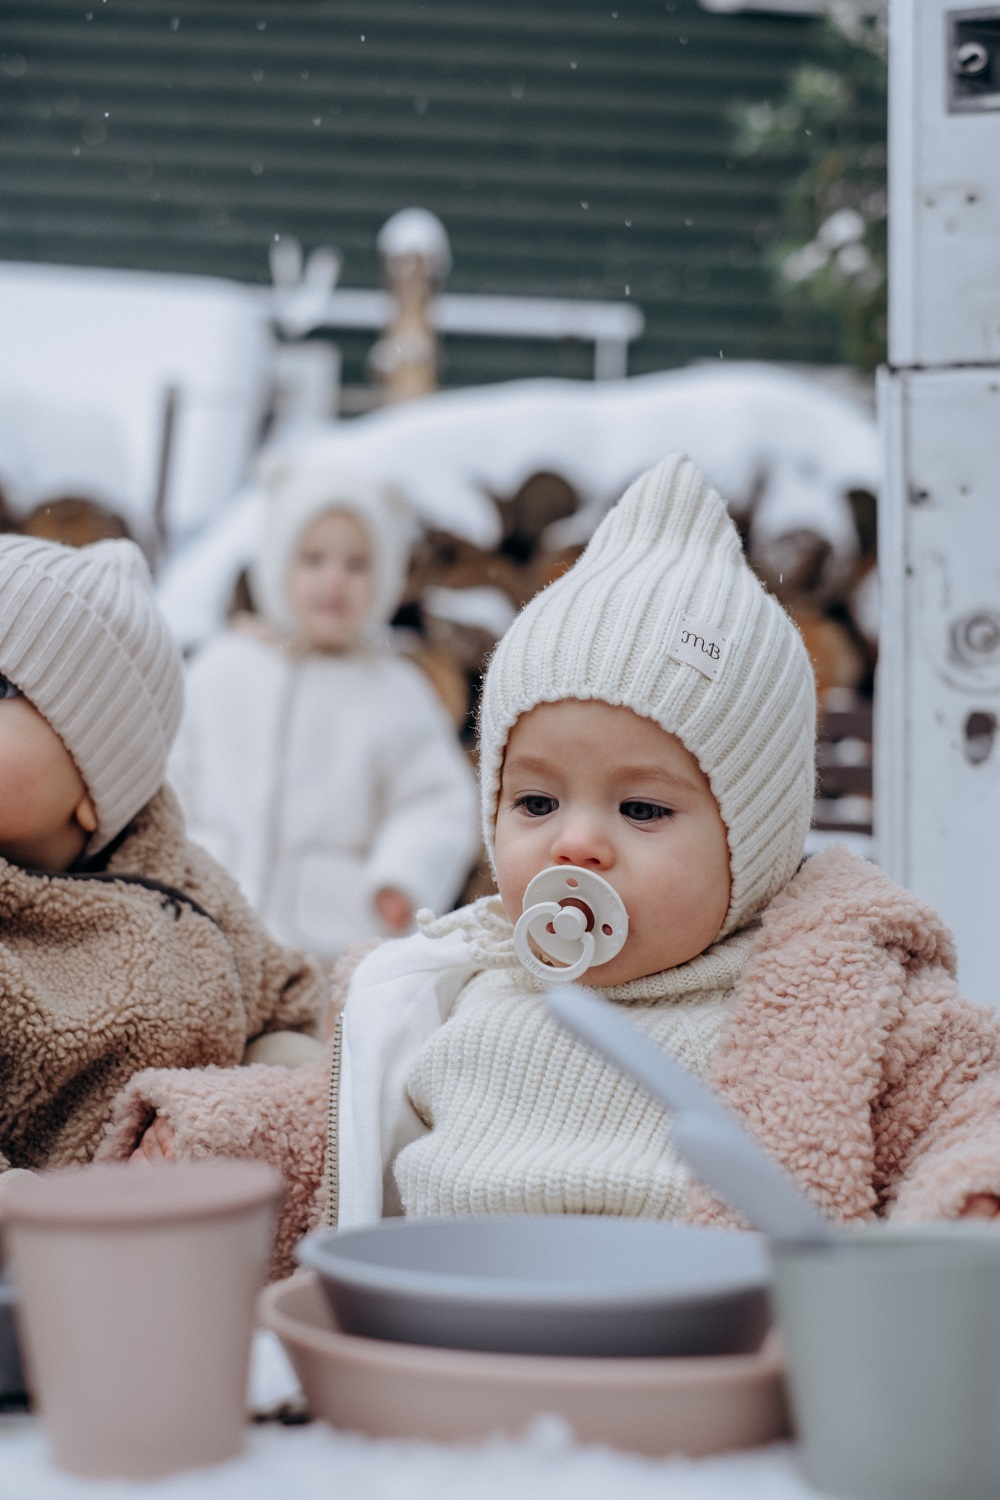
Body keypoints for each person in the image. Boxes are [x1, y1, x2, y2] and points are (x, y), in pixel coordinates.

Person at [107, 454, 1000, 1276]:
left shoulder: (836, 994)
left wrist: (969, 1193)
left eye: (641, 809)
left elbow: (967, 1102)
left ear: (755, 839)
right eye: (535, 804)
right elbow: (328, 1136)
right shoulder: (456, 989)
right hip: (452, 1348)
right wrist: (214, 1140)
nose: (575, 845)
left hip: (696, 1375)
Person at [0, 534, 328, 1180]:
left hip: (183, 1239)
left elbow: (292, 1020)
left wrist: (228, 1115)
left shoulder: (190, 896)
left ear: (94, 783)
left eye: (0, 686)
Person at [168, 466, 479, 961]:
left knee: (312, 1041)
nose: (334, 580)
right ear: (276, 564)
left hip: (331, 945)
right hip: (206, 924)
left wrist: (403, 876)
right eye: (312, 560)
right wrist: (170, 867)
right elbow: (171, 779)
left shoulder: (395, 690)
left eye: (357, 564)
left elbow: (436, 800)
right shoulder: (220, 669)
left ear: (385, 578)